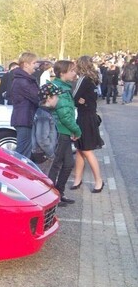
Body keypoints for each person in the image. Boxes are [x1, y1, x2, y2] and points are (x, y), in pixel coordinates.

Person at [48, 60, 81, 206]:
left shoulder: (65, 87)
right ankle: (51, 197)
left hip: (65, 131)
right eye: (72, 70)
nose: (75, 73)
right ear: (62, 73)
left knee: (68, 164)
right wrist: (76, 129)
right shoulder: (59, 88)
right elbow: (65, 115)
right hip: (61, 131)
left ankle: (59, 193)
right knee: (56, 165)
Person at [71, 56, 105, 193]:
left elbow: (73, 98)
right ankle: (78, 179)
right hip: (90, 116)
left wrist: (80, 101)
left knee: (86, 150)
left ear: (80, 66)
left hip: (85, 118)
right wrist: (82, 101)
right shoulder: (93, 79)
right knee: (80, 149)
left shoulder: (83, 80)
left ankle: (99, 181)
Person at [10, 52, 40, 158]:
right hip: (24, 119)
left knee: (25, 150)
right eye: (34, 63)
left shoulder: (24, 79)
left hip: (25, 118)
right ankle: (17, 173)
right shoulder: (23, 81)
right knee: (22, 152)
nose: (36, 66)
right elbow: (37, 97)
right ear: (26, 64)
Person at [31, 82, 60, 163]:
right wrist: (51, 154)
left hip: (43, 153)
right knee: (45, 175)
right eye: (56, 96)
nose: (58, 99)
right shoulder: (44, 115)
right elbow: (42, 139)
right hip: (43, 154)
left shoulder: (44, 112)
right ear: (49, 98)